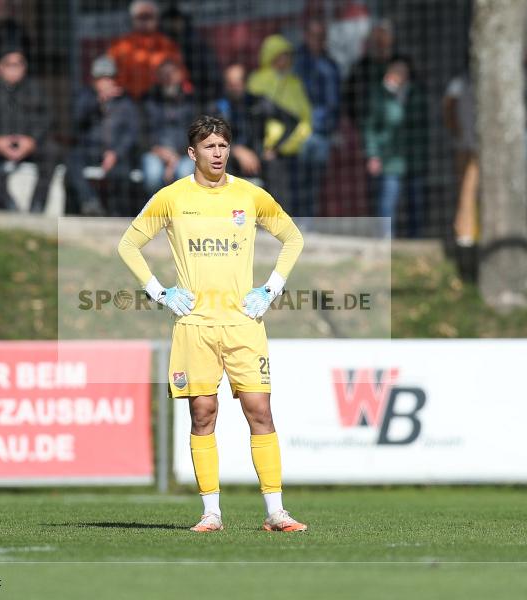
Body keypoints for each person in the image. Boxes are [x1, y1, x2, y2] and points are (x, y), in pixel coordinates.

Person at [117, 115, 307, 534]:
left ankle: (276, 512)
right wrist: (160, 292)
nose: (218, 154)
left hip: (243, 322)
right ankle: (211, 513)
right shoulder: (170, 198)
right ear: (192, 153)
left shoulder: (250, 195)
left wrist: (271, 289)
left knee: (260, 411)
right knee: (203, 414)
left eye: (223, 146)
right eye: (209, 147)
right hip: (195, 325)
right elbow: (128, 244)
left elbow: (293, 237)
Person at [0, 46, 58, 212]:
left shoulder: (35, 88)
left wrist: (32, 140)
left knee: (52, 150)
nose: (15, 69)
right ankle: (5, 202)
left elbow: (48, 118)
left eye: (19, 64)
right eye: (10, 64)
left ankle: (37, 205)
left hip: (28, 144)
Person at [66, 54, 139, 216]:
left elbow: (132, 133)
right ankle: (89, 202)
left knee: (121, 172)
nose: (107, 82)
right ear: (93, 80)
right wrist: (98, 101)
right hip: (90, 149)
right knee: (72, 161)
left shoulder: (125, 102)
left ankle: (118, 213)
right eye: (102, 78)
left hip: (117, 153)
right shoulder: (85, 97)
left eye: (110, 78)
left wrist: (116, 153)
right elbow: (77, 120)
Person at [247, 34, 312, 214]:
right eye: (283, 54)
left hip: (292, 146)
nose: (288, 59)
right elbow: (254, 116)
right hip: (264, 149)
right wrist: (266, 147)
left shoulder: (295, 83)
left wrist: (292, 143)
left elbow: (305, 117)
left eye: (289, 55)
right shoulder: (257, 80)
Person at [363, 57, 427, 237]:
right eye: (396, 71)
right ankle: (386, 238)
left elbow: (419, 123)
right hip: (389, 158)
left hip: (413, 158)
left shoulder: (415, 94)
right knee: (388, 200)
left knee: (416, 202)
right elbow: (370, 128)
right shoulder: (378, 95)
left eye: (403, 71)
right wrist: (373, 154)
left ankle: (416, 239)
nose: (400, 75)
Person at [293, 18, 340, 218]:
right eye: (314, 36)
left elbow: (335, 100)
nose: (318, 40)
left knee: (315, 183)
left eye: (321, 37)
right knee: (298, 181)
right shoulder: (297, 62)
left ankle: (309, 224)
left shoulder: (331, 64)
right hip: (300, 132)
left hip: (323, 132)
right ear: (306, 36)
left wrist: (331, 125)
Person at [107, 0, 189, 100]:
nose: (145, 21)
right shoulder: (119, 46)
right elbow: (105, 73)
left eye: (149, 16)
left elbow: (181, 75)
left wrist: (173, 76)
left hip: (158, 101)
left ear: (157, 18)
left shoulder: (167, 45)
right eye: (141, 17)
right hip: (125, 100)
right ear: (132, 19)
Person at [141, 59, 196, 195]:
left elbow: (197, 135)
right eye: (164, 74)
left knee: (184, 173)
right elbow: (140, 133)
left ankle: (179, 213)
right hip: (154, 152)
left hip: (184, 154)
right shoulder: (148, 100)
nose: (168, 77)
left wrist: (176, 156)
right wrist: (158, 150)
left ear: (180, 75)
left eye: (171, 73)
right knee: (153, 174)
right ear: (158, 76)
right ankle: (155, 211)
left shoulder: (191, 102)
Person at [208, 63, 265, 180]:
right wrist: (236, 150)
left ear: (245, 83)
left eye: (237, 83)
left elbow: (290, 120)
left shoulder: (258, 103)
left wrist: (274, 149)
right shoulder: (217, 108)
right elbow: (209, 139)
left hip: (258, 162)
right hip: (227, 165)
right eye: (230, 83)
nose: (234, 87)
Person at [160, 3, 221, 106]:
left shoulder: (193, 41)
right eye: (170, 21)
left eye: (176, 20)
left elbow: (209, 73)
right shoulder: (166, 41)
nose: (173, 24)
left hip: (201, 93)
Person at [442, 72, 478, 246]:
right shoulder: (459, 82)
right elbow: (447, 109)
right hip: (466, 146)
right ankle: (465, 233)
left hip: (483, 146)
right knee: (467, 189)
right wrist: (458, 133)